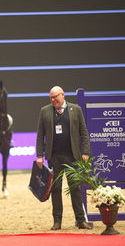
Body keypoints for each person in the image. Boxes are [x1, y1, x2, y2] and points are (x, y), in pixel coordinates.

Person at [35, 86, 92, 230]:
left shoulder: (76, 109)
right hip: (54, 157)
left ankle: (80, 220)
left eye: (55, 97)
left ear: (63, 95)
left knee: (75, 189)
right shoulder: (44, 111)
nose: (53, 100)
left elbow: (84, 133)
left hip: (73, 156)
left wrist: (85, 152)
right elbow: (40, 135)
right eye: (51, 98)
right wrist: (40, 155)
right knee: (56, 189)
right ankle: (57, 222)